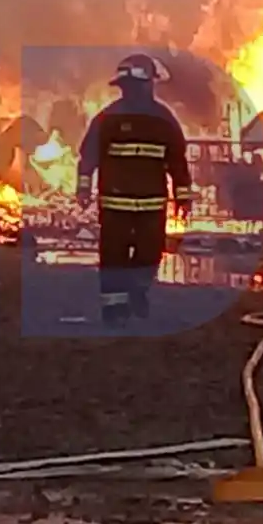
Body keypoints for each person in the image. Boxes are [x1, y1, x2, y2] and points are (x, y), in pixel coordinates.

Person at [77, 53, 194, 324]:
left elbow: (176, 160)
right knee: (117, 254)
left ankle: (135, 292)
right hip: (121, 202)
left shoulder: (159, 119)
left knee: (145, 253)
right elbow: (89, 156)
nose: (134, 91)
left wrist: (183, 196)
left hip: (145, 202)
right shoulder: (111, 118)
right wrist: (84, 187)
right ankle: (114, 308)